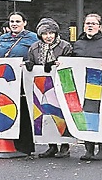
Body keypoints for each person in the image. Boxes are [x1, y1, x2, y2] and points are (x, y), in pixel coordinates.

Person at [65, 13, 102, 161]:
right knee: (86, 117)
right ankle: (88, 149)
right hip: (82, 86)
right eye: (87, 23)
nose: (90, 26)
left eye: (93, 23)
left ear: (99, 26)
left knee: (101, 118)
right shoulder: (78, 44)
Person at [27, 17, 73, 158]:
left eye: (51, 33)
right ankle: (51, 145)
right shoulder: (34, 48)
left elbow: (70, 61)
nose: (48, 36)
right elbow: (31, 61)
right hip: (42, 86)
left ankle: (65, 145)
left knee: (61, 114)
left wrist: (55, 63)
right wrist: (29, 65)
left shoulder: (65, 46)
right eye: (45, 34)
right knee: (45, 112)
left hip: (60, 85)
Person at [0, 11, 39, 154]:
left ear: (24, 23)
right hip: (6, 80)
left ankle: (25, 146)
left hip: (23, 80)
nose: (14, 24)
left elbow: (36, 57)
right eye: (12, 22)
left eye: (17, 21)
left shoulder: (32, 38)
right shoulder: (3, 38)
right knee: (8, 109)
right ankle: (8, 142)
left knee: (24, 111)